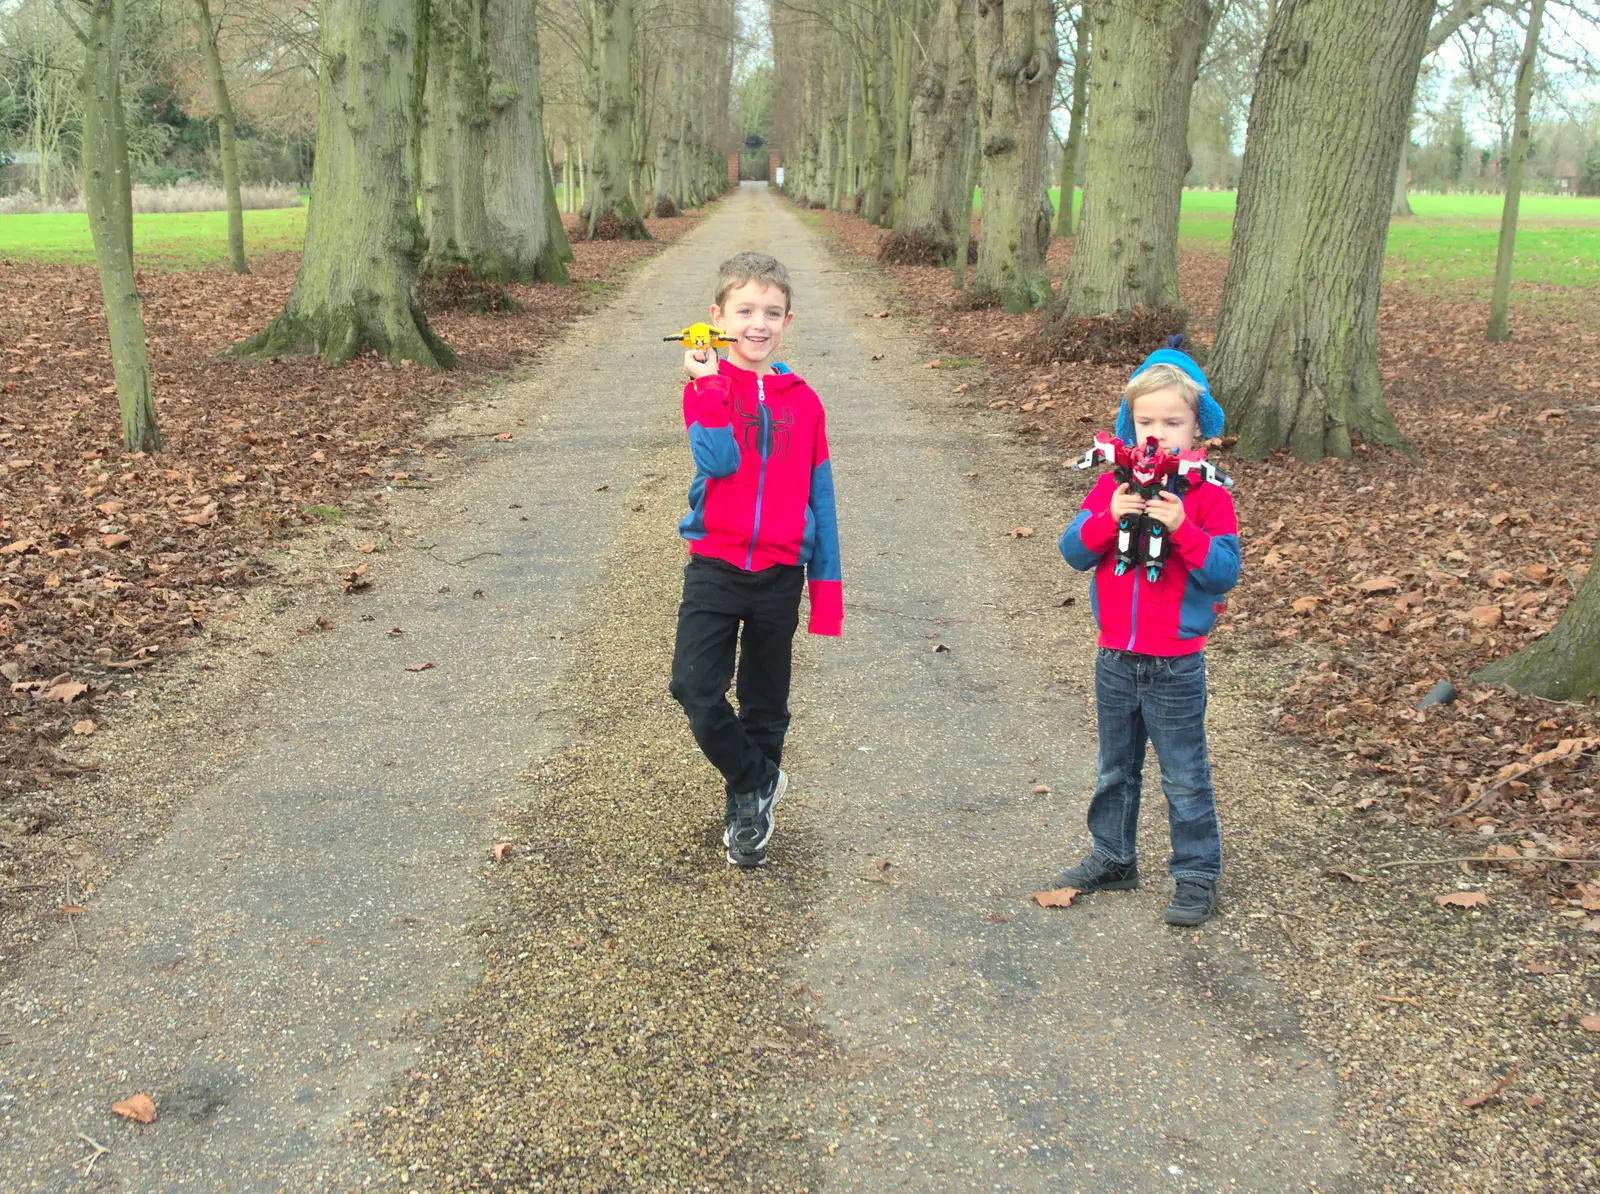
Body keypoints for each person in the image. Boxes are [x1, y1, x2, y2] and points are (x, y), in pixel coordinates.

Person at [1054, 341, 1240, 926]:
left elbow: (1222, 572)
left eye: (1172, 422)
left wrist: (1183, 529)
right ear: (1127, 426)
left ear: (1197, 431)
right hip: (1115, 655)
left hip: (1175, 662)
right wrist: (1110, 518)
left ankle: (1195, 874)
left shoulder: (1209, 498)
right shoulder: (1113, 489)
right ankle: (1113, 855)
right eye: (1146, 421)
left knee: (1185, 773)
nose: (1158, 433)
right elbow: (1072, 552)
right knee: (1116, 767)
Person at [669, 252, 843, 868]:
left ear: (788, 320)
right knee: (693, 686)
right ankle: (755, 779)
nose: (758, 323)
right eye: (745, 310)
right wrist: (708, 383)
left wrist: (826, 590)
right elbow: (718, 462)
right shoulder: (705, 389)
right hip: (715, 562)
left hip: (779, 572)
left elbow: (820, 496)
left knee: (766, 699)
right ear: (718, 318)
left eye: (772, 312)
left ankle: (747, 808)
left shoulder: (806, 402)